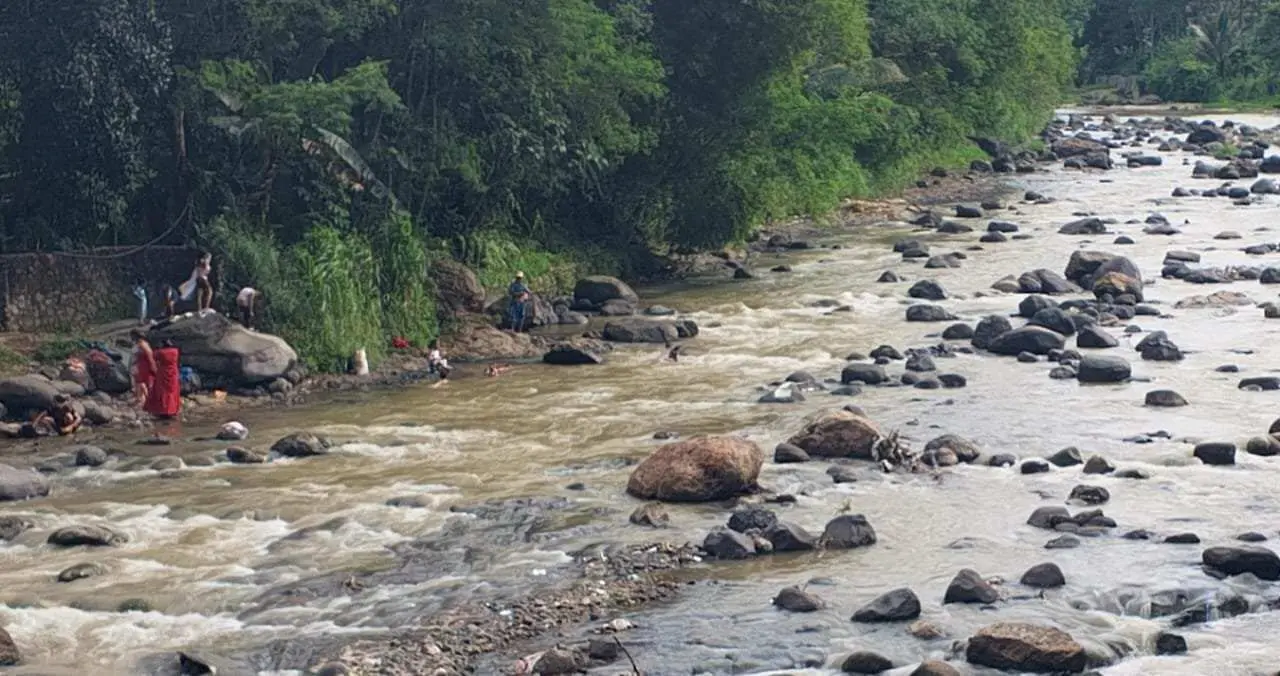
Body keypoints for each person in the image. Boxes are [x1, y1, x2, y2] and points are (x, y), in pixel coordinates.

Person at [145, 339, 182, 418]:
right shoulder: (175, 351)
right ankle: (173, 409)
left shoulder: (160, 352)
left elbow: (153, 356)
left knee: (162, 391)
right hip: (173, 372)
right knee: (172, 391)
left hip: (163, 372)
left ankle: (163, 409)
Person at [131, 329, 156, 405]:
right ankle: (140, 398)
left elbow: (149, 354)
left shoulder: (143, 344)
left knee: (141, 382)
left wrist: (152, 365)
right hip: (137, 364)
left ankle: (147, 398)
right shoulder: (138, 344)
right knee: (138, 382)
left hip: (141, 365)